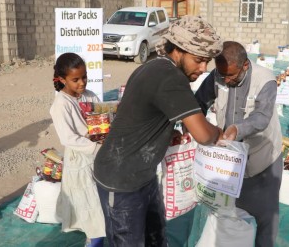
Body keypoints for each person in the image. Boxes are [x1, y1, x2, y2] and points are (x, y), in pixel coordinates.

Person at [94, 15, 223, 247]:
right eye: (198, 60)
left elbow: (140, 114)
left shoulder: (154, 65)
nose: (203, 69)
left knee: (155, 237)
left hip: (143, 175)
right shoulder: (170, 77)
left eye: (207, 62)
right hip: (121, 179)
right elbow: (203, 134)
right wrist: (222, 133)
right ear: (179, 50)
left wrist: (164, 130)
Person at [195, 41, 283, 247]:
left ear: (245, 66)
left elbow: (261, 117)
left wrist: (237, 129)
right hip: (229, 159)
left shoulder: (265, 80)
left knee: (265, 216)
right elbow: (198, 102)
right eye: (222, 75)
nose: (225, 79)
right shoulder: (218, 75)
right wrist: (196, 126)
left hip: (262, 158)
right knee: (230, 211)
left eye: (231, 76)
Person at [49, 53, 105, 247]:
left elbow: (103, 116)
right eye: (75, 79)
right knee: (93, 211)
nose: (82, 83)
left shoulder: (89, 96)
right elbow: (69, 138)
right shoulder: (61, 105)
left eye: (84, 77)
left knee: (100, 207)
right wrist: (97, 147)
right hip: (80, 161)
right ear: (62, 79)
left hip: (98, 158)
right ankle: (94, 242)